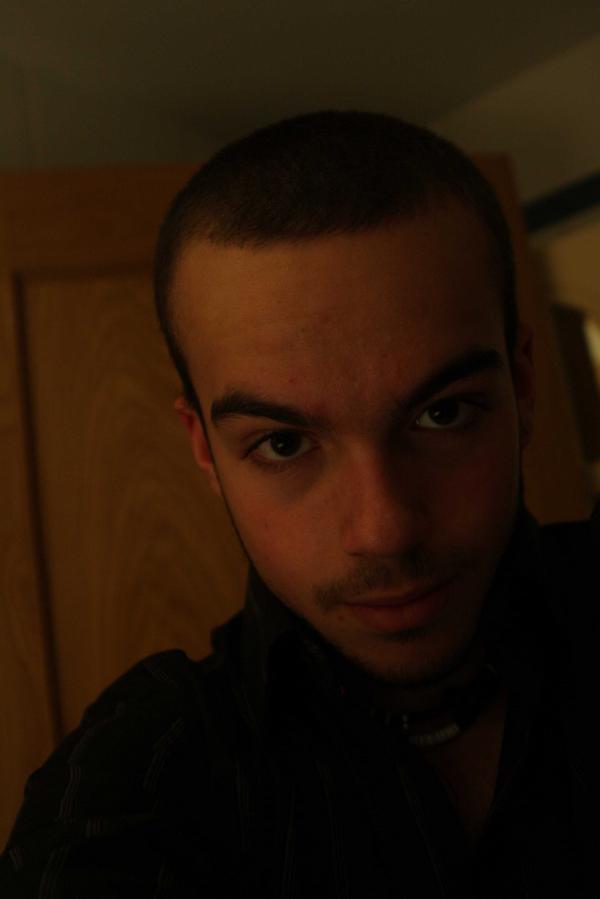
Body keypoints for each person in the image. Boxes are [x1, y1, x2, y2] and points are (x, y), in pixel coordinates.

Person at [1, 110, 598, 898]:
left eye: (443, 413)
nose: (384, 528)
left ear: (521, 386)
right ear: (205, 449)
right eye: (283, 443)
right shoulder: (142, 779)